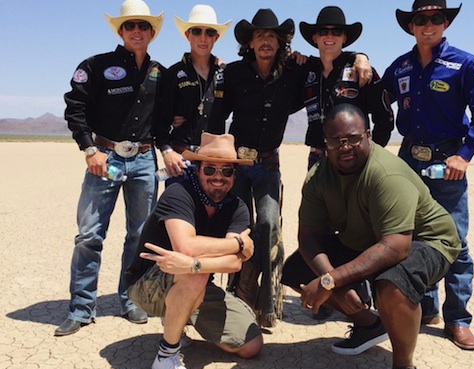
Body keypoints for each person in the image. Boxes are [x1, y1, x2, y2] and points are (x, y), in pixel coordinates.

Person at [282, 104, 461, 369]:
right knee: (297, 269)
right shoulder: (319, 178)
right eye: (335, 141)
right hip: (369, 239)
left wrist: (332, 281)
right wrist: (333, 279)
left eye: (353, 138)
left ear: (368, 135)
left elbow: (396, 246)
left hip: (426, 240)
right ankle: (369, 325)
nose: (345, 147)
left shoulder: (386, 174)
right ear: (325, 143)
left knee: (392, 284)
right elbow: (308, 237)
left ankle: (404, 368)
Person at [382, 0, 474, 350]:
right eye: (421, 19)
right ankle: (425, 307)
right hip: (408, 161)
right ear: (411, 25)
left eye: (436, 18)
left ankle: (458, 319)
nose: (428, 25)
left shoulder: (463, 63)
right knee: (411, 237)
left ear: (445, 23)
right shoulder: (400, 67)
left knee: (454, 241)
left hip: (447, 162)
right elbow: (377, 96)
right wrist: (358, 62)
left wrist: (464, 155)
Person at [56, 0, 165, 336]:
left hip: (145, 161)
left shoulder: (160, 72)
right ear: (120, 31)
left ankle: (130, 299)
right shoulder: (95, 65)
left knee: (139, 235)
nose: (136, 31)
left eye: (143, 26)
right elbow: (75, 107)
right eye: (130, 25)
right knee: (89, 234)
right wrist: (90, 149)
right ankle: (81, 307)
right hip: (104, 159)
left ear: (151, 33)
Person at [125, 132, 263, 369]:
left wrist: (195, 263)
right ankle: (166, 356)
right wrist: (238, 242)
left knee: (250, 346)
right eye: (209, 169)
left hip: (192, 278)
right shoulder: (179, 194)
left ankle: (181, 315)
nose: (218, 177)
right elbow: (186, 246)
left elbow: (234, 264)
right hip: (148, 283)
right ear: (198, 170)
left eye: (226, 171)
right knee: (194, 274)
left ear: (234, 174)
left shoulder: (237, 208)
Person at [208, 8, 306, 328]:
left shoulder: (293, 73)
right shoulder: (233, 73)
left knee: (268, 224)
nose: (265, 41)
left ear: (280, 43)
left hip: (267, 164)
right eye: (260, 36)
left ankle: (266, 298)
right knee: (240, 227)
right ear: (250, 42)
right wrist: (216, 160)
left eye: (272, 37)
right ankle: (240, 291)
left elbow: (331, 64)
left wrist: (359, 56)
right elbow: (216, 117)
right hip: (236, 164)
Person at [299, 6, 394, 169]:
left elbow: (384, 116)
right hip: (317, 160)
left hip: (352, 158)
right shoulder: (305, 70)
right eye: (323, 31)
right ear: (315, 37)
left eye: (336, 32)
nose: (329, 36)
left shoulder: (361, 71)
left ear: (344, 37)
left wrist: (373, 154)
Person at [157, 5, 231, 183]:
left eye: (210, 32)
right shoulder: (173, 74)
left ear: (217, 37)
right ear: (187, 35)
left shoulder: (227, 74)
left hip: (215, 163)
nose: (203, 38)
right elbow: (160, 121)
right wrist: (167, 152)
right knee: (178, 210)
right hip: (181, 159)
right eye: (197, 31)